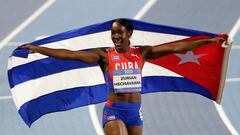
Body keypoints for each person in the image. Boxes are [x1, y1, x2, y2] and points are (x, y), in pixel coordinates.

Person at [20, 18, 226, 135]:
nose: (116, 37)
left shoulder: (142, 53)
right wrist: (39, 49)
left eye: (120, 33)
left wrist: (209, 42)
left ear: (129, 34)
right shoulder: (104, 55)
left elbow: (177, 47)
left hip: (135, 113)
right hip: (114, 112)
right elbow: (71, 55)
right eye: (113, 34)